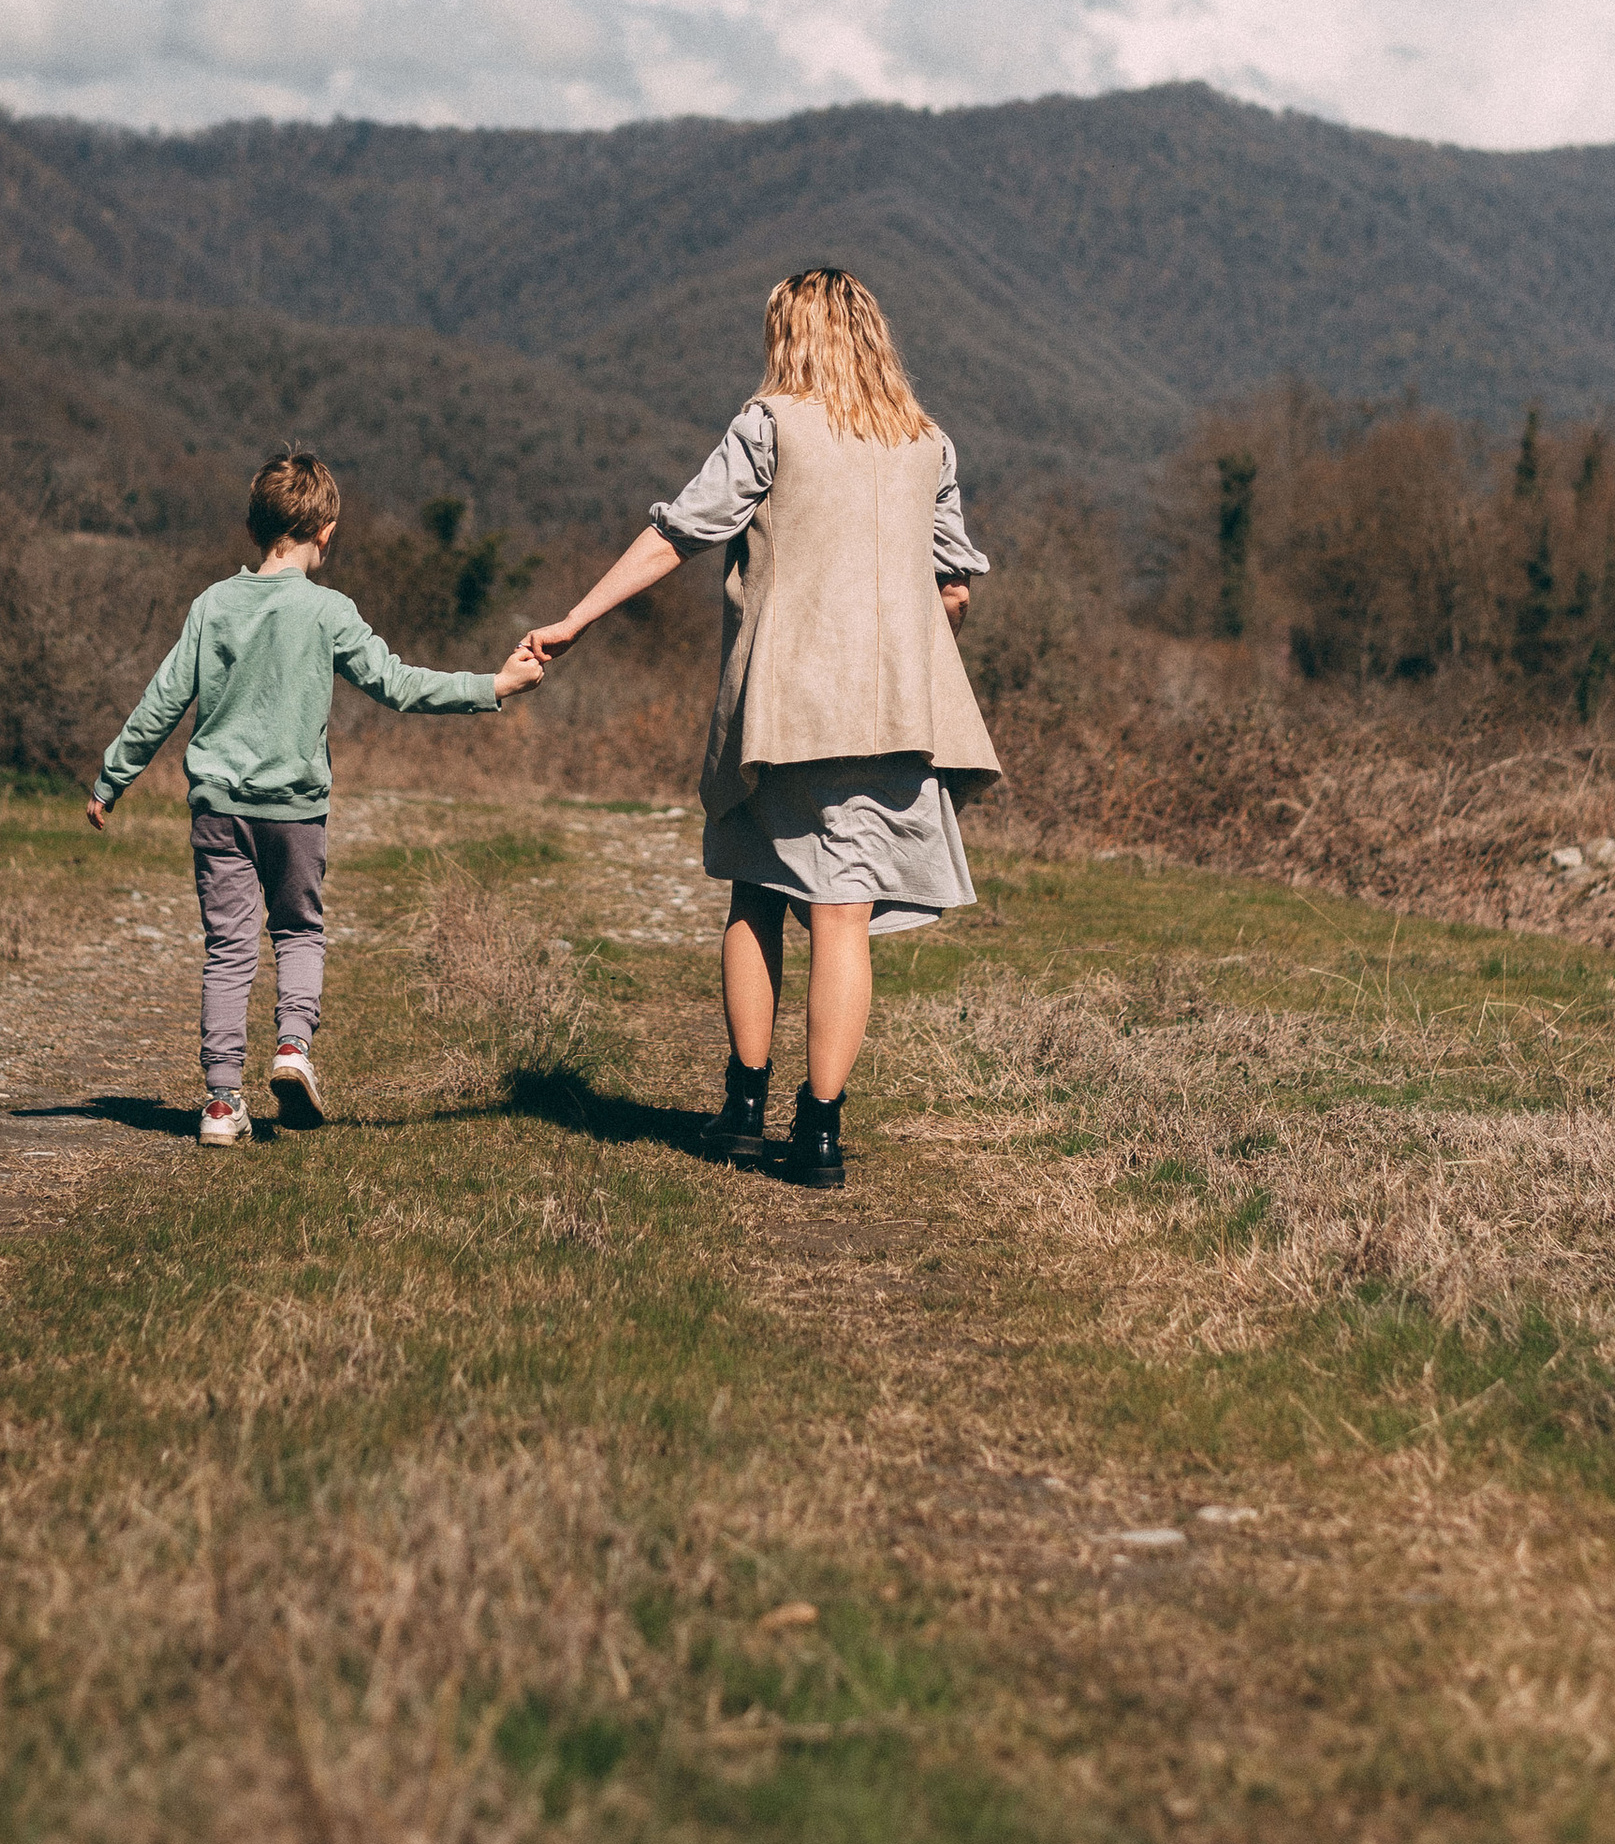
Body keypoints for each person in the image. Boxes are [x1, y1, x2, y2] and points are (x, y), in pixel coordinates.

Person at [524, 268, 997, 1192]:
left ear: (792, 335)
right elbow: (953, 590)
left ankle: (744, 1110)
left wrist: (578, 618)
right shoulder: (926, 442)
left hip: (785, 706)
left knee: (756, 889)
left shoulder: (769, 424)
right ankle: (819, 1136)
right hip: (900, 713)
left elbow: (677, 534)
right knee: (845, 916)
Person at [86, 445, 545, 1146]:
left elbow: (162, 700)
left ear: (253, 529)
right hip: (295, 812)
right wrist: (494, 686)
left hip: (219, 811)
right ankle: (293, 1048)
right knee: (298, 930)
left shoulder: (213, 604)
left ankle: (218, 1104)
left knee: (229, 950)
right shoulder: (328, 611)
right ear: (325, 532)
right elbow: (399, 684)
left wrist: (112, 779)